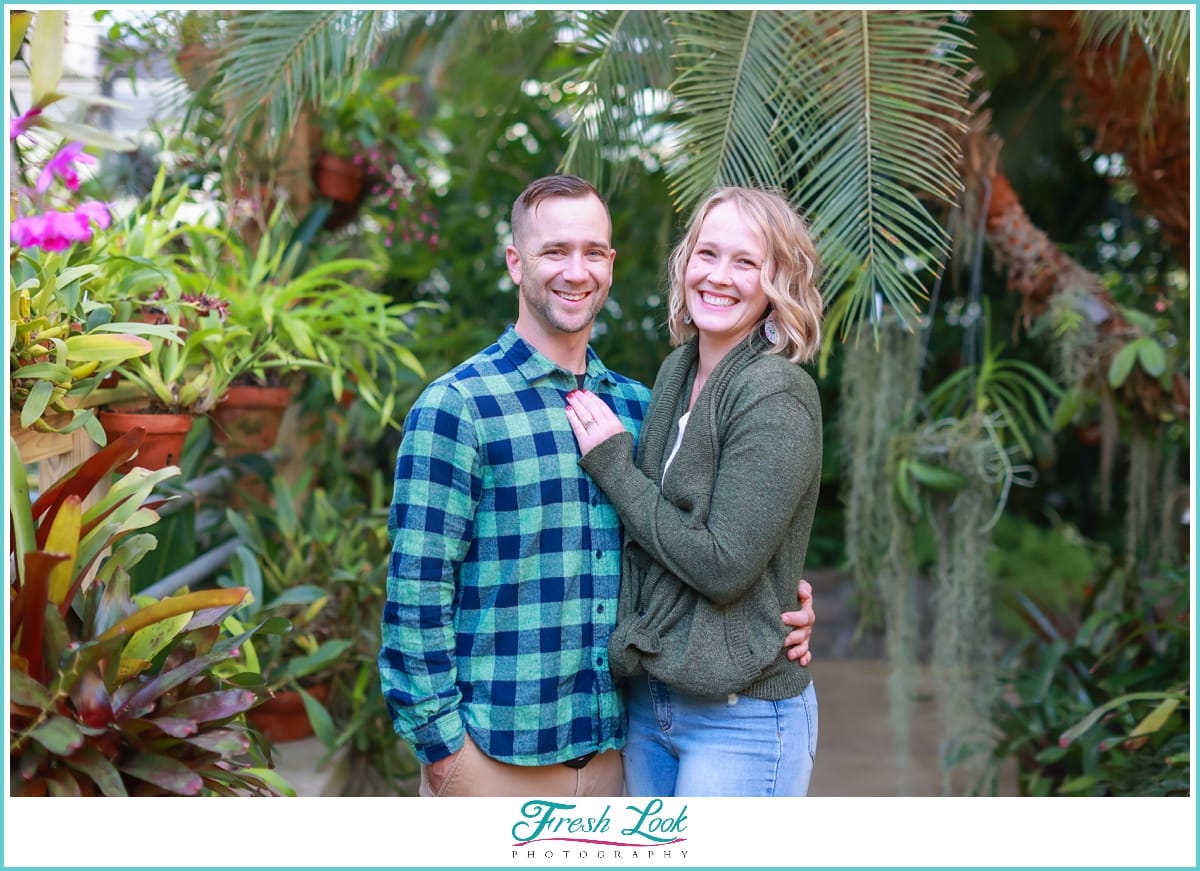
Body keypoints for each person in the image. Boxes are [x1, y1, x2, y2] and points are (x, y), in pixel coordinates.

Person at [379, 175, 816, 798]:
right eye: (553, 251)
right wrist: (442, 747)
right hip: (495, 758)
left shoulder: (638, 411)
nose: (575, 271)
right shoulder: (458, 407)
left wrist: (777, 607)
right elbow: (415, 596)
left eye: (592, 252)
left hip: (618, 751)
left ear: (611, 265)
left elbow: (704, 550)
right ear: (515, 262)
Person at [564, 185, 824, 797]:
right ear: (685, 264)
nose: (719, 276)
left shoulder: (776, 394)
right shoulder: (677, 372)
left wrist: (613, 467)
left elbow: (726, 564)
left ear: (776, 281)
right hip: (654, 702)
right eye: (708, 254)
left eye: (746, 262)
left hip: (741, 718)